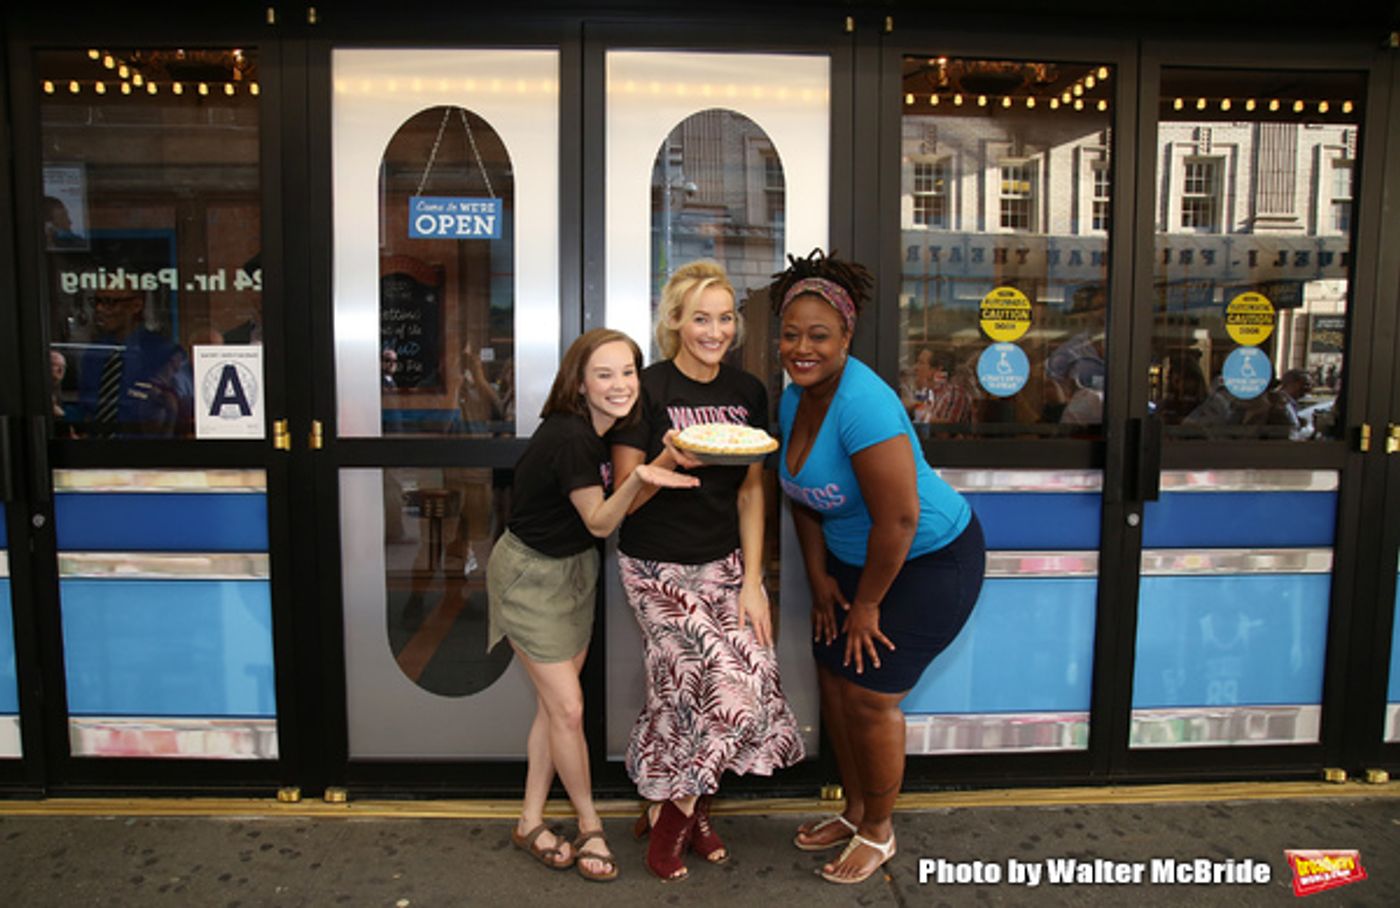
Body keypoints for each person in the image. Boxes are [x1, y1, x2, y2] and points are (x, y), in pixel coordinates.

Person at [772, 250, 985, 885]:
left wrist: (865, 604)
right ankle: (855, 807)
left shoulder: (864, 404)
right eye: (790, 334)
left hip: (927, 560)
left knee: (869, 694)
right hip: (851, 561)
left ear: (846, 337)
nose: (801, 348)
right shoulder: (793, 398)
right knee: (834, 683)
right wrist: (819, 578)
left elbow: (899, 519)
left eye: (818, 336)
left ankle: (879, 831)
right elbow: (803, 497)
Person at [611, 260, 804, 882]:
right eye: (701, 318)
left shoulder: (749, 393)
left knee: (741, 678)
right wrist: (666, 456)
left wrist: (754, 579)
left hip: (723, 564)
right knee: (710, 680)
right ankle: (677, 823)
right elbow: (622, 498)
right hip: (655, 566)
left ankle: (678, 804)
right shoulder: (648, 389)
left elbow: (751, 493)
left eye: (724, 318)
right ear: (675, 321)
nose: (714, 331)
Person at [487, 327, 699, 883]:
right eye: (604, 374)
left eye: (628, 371)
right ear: (578, 383)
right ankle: (589, 824)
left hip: (573, 573)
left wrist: (662, 462)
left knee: (554, 710)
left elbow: (598, 520)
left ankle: (529, 820)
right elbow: (602, 520)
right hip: (530, 580)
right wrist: (648, 475)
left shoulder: (604, 430)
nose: (621, 384)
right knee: (570, 710)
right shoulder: (574, 438)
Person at [75, 288, 192, 437]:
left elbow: (181, 412)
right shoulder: (94, 353)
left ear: (136, 305)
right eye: (97, 301)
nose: (100, 309)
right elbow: (86, 408)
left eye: (110, 302)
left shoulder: (167, 355)